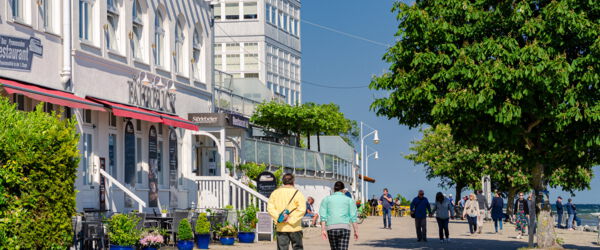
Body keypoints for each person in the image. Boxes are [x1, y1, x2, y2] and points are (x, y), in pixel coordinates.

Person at [267, 173, 306, 250]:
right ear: (293, 181)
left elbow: (270, 208)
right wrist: (290, 219)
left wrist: (280, 218)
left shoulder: (275, 193)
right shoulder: (298, 193)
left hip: (281, 226)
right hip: (295, 227)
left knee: (282, 248)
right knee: (298, 248)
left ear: (283, 181)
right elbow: (302, 209)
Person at [319, 181, 359, 250]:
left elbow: (323, 216)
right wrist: (356, 231)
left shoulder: (326, 199)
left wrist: (323, 230)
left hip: (331, 228)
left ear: (334, 189)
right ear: (343, 190)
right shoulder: (349, 200)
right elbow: (353, 217)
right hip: (344, 228)